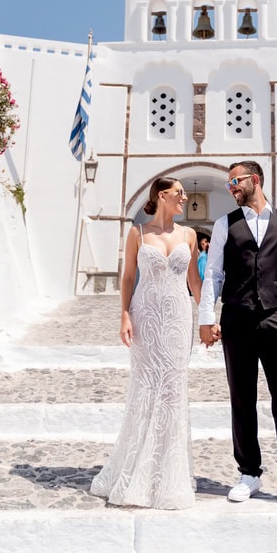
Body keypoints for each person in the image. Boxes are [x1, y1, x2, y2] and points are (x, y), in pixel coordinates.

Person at [198, 161, 277, 510]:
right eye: (227, 184)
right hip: (237, 320)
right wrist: (207, 317)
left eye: (234, 182)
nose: (230, 188)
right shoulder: (225, 224)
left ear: (255, 180)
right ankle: (249, 473)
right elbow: (215, 275)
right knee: (242, 399)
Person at [90, 176, 202, 509]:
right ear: (161, 195)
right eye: (179, 192)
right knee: (145, 389)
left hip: (179, 320)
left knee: (173, 392)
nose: (184, 197)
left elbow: (194, 280)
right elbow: (127, 278)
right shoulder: (138, 233)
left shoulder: (189, 235)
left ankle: (168, 475)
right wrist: (124, 315)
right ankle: (134, 469)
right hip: (146, 318)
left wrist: (209, 317)